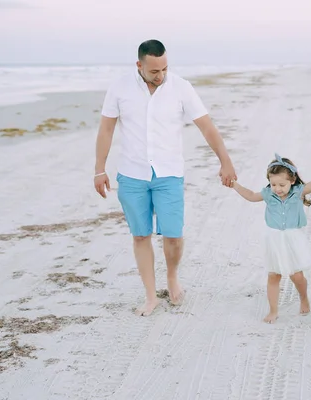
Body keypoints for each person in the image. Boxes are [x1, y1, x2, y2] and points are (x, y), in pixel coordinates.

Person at [93, 39, 237, 316]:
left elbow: (206, 127)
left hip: (169, 173)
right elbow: (106, 131)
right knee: (140, 235)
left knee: (173, 235)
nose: (161, 76)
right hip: (132, 174)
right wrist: (100, 169)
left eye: (164, 69)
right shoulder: (119, 88)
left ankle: (172, 276)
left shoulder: (181, 87)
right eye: (154, 71)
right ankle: (150, 296)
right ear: (139, 65)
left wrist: (225, 161)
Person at [229, 154, 311, 323]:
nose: (277, 188)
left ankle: (304, 298)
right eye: (273, 184)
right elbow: (251, 195)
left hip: (292, 239)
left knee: (296, 276)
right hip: (274, 239)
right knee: (274, 275)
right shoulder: (268, 194)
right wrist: (235, 185)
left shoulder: (298, 192)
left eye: (282, 184)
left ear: (292, 180)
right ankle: (273, 310)